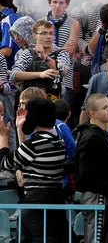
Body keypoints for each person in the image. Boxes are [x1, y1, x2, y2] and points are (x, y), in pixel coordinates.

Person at [0, 98, 69, 243]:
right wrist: (20, 129)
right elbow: (27, 156)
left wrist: (3, 136)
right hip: (55, 199)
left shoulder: (34, 144)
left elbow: (5, 163)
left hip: (36, 204)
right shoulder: (57, 140)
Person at [75, 93, 108, 243]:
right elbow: (87, 175)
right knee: (97, 238)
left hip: (102, 196)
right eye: (105, 108)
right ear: (92, 113)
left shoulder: (97, 135)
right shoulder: (92, 137)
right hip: (98, 197)